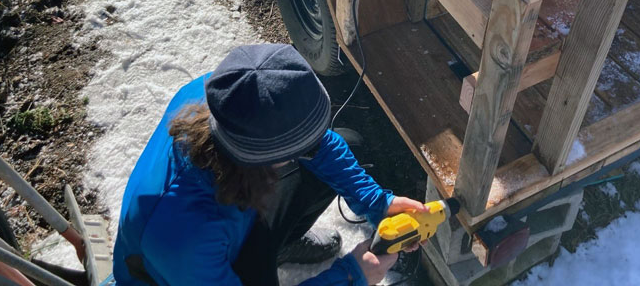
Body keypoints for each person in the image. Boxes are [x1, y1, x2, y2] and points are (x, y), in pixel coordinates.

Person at [113, 43, 425, 286]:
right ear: (264, 157)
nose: (316, 144)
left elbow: (322, 145)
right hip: (182, 273)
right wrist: (351, 276)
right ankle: (260, 260)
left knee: (345, 146)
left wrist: (377, 202)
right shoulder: (184, 237)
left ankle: (278, 247)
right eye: (301, 146)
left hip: (229, 217)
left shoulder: (229, 94)